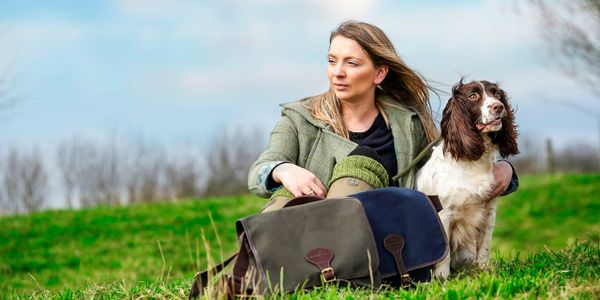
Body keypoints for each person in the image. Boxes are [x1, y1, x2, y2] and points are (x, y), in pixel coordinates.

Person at [247, 20, 517, 211]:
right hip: (313, 232)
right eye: (332, 60)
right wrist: (283, 170)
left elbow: (447, 169)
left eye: (351, 63)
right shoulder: (299, 118)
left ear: (379, 73)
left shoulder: (409, 121)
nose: (337, 72)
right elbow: (259, 173)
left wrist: (505, 171)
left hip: (387, 240)